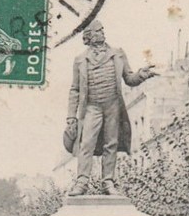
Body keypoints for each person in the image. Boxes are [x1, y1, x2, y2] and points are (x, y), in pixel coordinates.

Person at [65, 20, 157, 197]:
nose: (102, 33)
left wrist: (141, 75)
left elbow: (129, 79)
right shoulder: (80, 60)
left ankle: (108, 181)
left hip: (112, 105)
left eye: (102, 30)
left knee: (111, 144)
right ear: (89, 37)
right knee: (86, 143)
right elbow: (75, 89)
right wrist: (71, 116)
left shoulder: (117, 54)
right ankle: (82, 181)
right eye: (98, 31)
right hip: (91, 106)